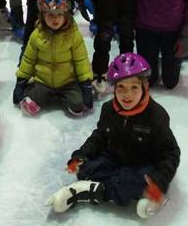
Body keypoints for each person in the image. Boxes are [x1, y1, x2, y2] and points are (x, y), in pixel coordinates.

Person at [45, 53, 180, 219]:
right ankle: (107, 187)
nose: (127, 95)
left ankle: (90, 191)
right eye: (121, 87)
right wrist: (81, 156)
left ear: (145, 87)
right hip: (114, 157)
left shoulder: (156, 116)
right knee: (86, 168)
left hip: (142, 163)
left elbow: (171, 153)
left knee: (133, 182)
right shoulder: (109, 109)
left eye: (134, 87)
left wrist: (159, 180)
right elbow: (99, 137)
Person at [13, 0, 93, 116]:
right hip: (43, 81)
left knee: (78, 106)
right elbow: (28, 60)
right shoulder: (36, 35)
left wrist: (86, 84)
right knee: (28, 103)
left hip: (68, 81)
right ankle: (42, 93)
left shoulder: (73, 35)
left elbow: (81, 60)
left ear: (66, 15)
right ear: (43, 15)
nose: (55, 19)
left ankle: (63, 97)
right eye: (50, 15)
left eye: (59, 15)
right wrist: (21, 81)